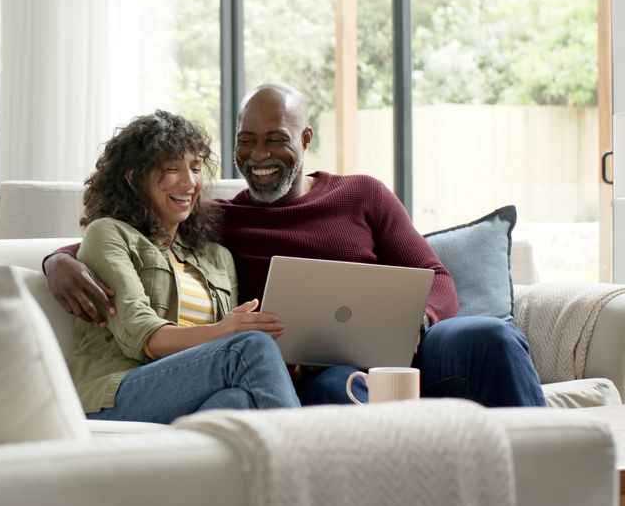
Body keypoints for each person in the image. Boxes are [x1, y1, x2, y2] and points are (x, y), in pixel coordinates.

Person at [47, 82, 546, 407]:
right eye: (246, 140)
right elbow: (135, 240)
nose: (259, 155)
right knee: (336, 391)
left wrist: (415, 324)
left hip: (410, 352)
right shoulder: (219, 222)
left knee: (491, 338)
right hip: (321, 373)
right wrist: (56, 262)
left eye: (275, 138)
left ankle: (556, 477)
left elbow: (437, 278)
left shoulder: (363, 193)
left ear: (305, 138)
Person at [67, 109, 300, 424]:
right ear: (135, 178)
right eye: (171, 169)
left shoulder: (217, 256)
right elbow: (141, 335)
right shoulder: (109, 233)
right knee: (248, 347)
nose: (189, 181)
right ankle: (312, 461)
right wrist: (222, 331)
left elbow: (218, 353)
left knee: (237, 401)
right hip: (115, 394)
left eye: (195, 167)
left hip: (186, 393)